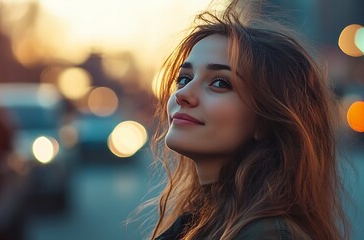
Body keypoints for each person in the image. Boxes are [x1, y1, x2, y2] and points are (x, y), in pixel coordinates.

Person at [147, 0, 350, 239]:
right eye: (184, 79)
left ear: (265, 120)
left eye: (220, 83)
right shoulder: (207, 218)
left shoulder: (267, 234)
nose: (182, 94)